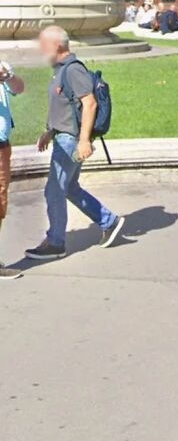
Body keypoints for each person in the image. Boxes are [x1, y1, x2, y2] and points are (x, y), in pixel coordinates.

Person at [26, 27, 125, 259]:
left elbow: (89, 104)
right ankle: (109, 221)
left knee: (54, 190)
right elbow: (64, 105)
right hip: (63, 137)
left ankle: (55, 243)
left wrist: (83, 141)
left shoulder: (73, 70)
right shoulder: (60, 71)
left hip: (71, 140)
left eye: (44, 44)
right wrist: (49, 131)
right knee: (69, 188)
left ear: (57, 45)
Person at [0, 60, 25, 279]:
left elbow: (19, 88)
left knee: (0, 201)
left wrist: (7, 76)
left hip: (2, 145)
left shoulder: (2, 67)